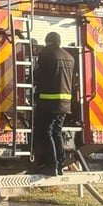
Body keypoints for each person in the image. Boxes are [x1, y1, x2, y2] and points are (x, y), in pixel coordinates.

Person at [32, 31, 74, 176]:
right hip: (65, 103)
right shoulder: (69, 57)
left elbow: (38, 75)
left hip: (48, 102)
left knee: (46, 131)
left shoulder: (46, 54)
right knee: (57, 132)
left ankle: (51, 165)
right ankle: (60, 165)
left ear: (47, 41)